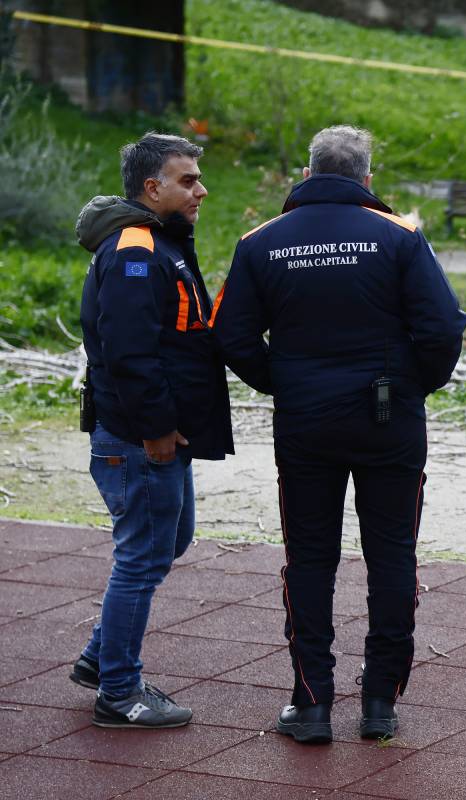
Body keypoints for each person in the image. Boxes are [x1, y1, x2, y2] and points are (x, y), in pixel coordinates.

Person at [213, 125, 466, 744]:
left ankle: (311, 703)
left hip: (305, 423)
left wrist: (283, 382)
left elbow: (230, 335)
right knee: (391, 557)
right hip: (389, 420)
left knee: (309, 558)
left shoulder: (260, 243)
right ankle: (380, 700)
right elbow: (443, 329)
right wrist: (412, 384)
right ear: (367, 180)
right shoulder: (401, 236)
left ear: (306, 175)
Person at [74, 132, 233, 728]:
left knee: (169, 541)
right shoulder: (136, 251)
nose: (201, 189)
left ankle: (99, 657)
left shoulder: (158, 242)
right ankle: (118, 691)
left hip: (154, 436)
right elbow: (131, 354)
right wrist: (157, 429)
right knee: (142, 557)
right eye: (187, 180)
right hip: (140, 440)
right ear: (152, 187)